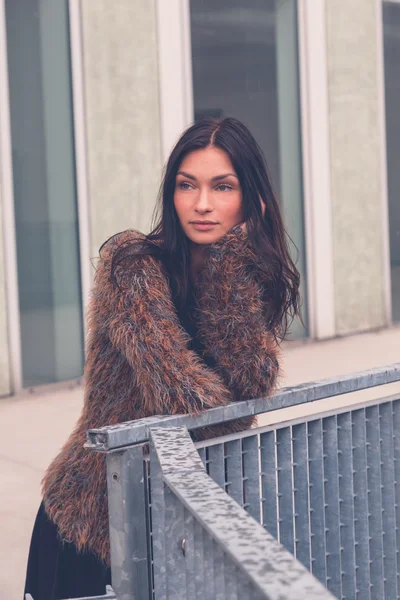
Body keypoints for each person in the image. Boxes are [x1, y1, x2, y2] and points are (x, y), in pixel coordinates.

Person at [24, 117, 301, 599]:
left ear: (252, 201)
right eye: (186, 185)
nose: (202, 204)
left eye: (223, 186)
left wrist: (229, 268)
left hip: (176, 527)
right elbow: (191, 403)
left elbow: (252, 383)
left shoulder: (242, 276)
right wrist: (231, 402)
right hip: (92, 523)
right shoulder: (132, 265)